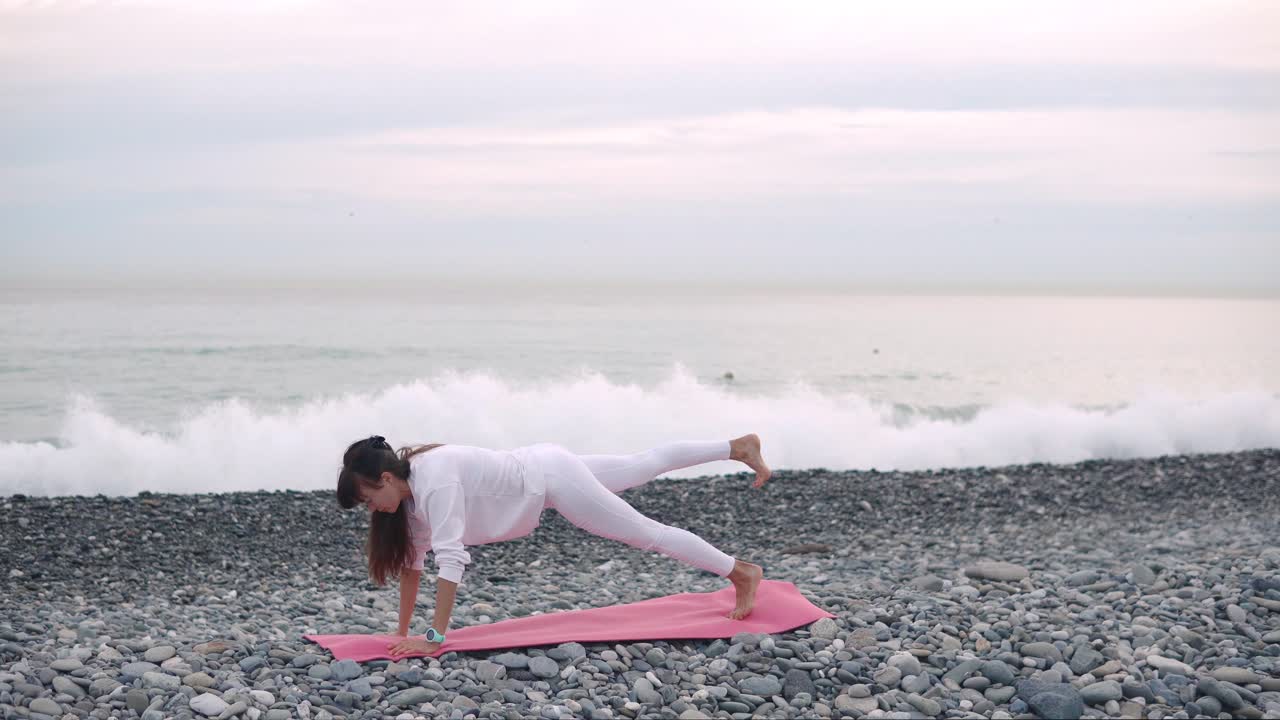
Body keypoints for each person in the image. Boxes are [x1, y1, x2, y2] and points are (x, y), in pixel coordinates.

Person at [335, 434, 771, 658]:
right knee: (642, 464)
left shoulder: (434, 481)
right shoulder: (410, 499)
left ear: (387, 479)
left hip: (552, 480)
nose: (372, 508)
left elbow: (451, 560)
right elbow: (413, 565)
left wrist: (433, 638)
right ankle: (735, 446)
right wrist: (401, 632)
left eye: (369, 498)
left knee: (646, 533)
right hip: (546, 464)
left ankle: (740, 572)